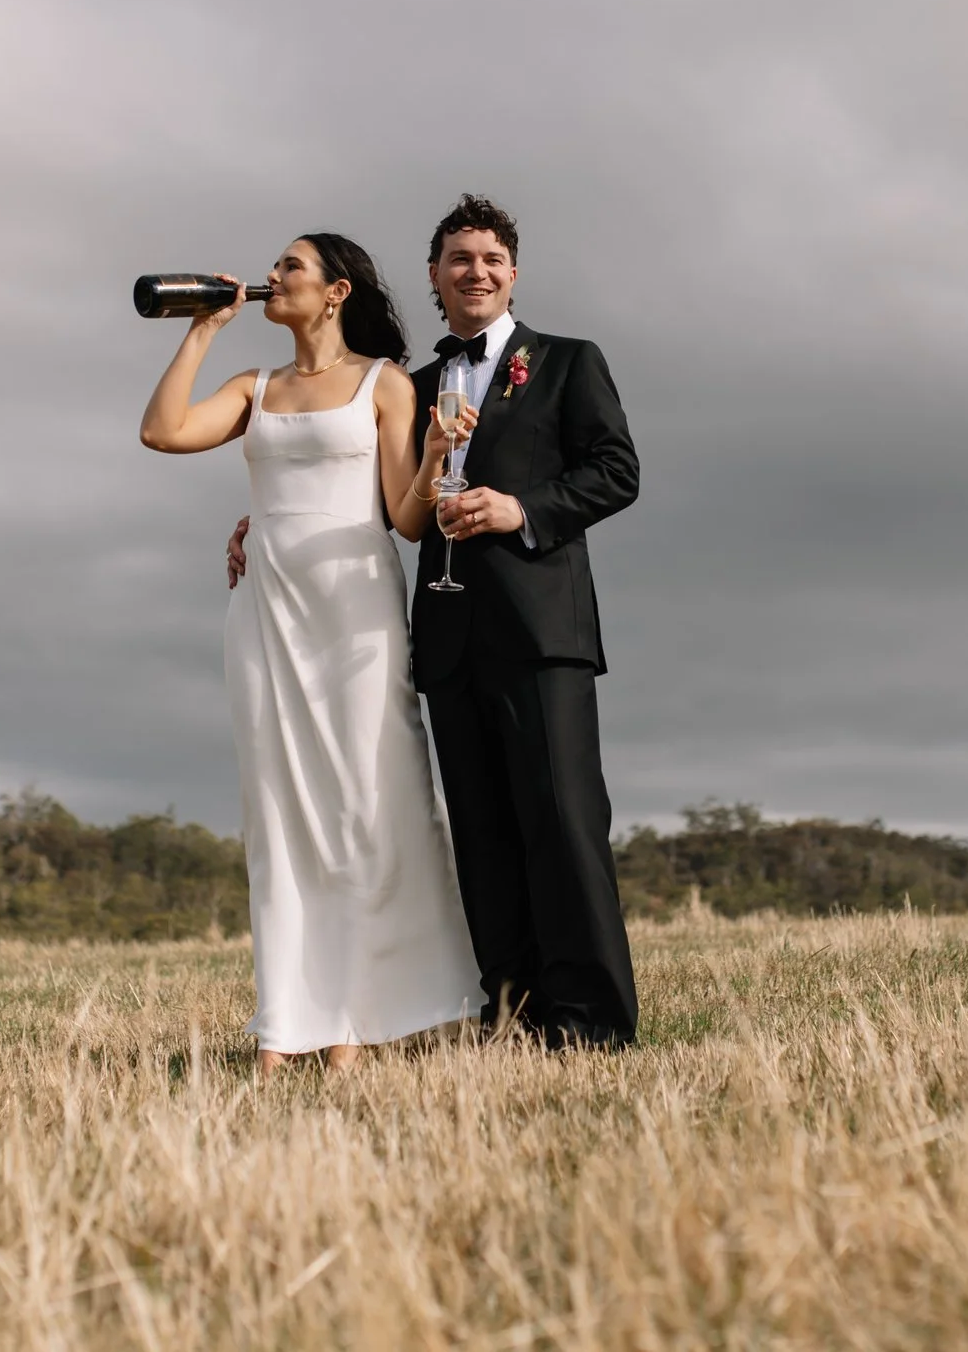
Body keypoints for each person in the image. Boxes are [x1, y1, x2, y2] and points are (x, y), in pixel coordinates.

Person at [231, 196, 642, 1048]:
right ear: (435, 276)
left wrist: (518, 507)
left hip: (542, 632)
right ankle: (511, 1013)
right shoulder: (405, 386)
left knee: (562, 821)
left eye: (491, 258)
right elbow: (366, 494)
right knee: (482, 835)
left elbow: (616, 471)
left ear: (513, 272)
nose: (476, 271)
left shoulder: (567, 362)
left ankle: (592, 1021)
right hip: (445, 644)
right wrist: (255, 523)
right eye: (460, 258)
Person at [139, 233, 482, 1071]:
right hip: (264, 610)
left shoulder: (383, 382)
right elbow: (164, 430)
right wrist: (204, 329)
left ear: (334, 292)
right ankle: (287, 1019)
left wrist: (435, 458)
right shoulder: (255, 387)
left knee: (368, 803)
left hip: (355, 607)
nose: (273, 275)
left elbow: (405, 519)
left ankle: (357, 1021)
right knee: (280, 813)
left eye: (290, 265)